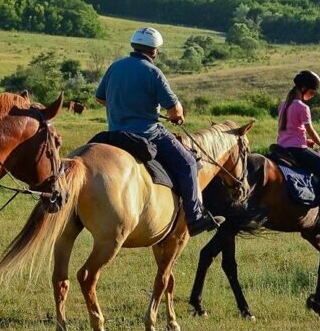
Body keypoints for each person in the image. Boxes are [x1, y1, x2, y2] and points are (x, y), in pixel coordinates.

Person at [95, 27, 224, 235]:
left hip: (115, 132)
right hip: (148, 133)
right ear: (154, 51)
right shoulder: (153, 72)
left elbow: (100, 98)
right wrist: (177, 116)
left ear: (134, 46)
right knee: (188, 163)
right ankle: (195, 218)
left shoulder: (115, 66)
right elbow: (174, 109)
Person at [275, 71, 320, 221]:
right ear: (303, 88)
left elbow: (291, 131)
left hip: (283, 148)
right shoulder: (302, 107)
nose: (312, 96)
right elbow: (310, 130)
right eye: (311, 92)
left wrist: (309, 143)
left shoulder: (283, 105)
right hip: (297, 150)